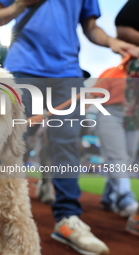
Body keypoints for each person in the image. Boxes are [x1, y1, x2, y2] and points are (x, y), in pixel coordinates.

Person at [0, 1, 139, 254]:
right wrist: (20, 6)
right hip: (21, 69)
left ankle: (68, 218)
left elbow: (91, 28)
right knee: (11, 145)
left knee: (67, 143)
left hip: (67, 73)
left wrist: (111, 42)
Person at [87, 58, 138, 218]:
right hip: (110, 113)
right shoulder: (113, 72)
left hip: (134, 117)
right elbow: (92, 95)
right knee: (116, 157)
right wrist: (78, 119)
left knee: (127, 158)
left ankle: (109, 197)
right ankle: (125, 199)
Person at [114, 0, 139, 236]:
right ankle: (123, 198)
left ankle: (112, 195)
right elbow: (122, 26)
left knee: (129, 152)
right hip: (127, 93)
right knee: (121, 153)